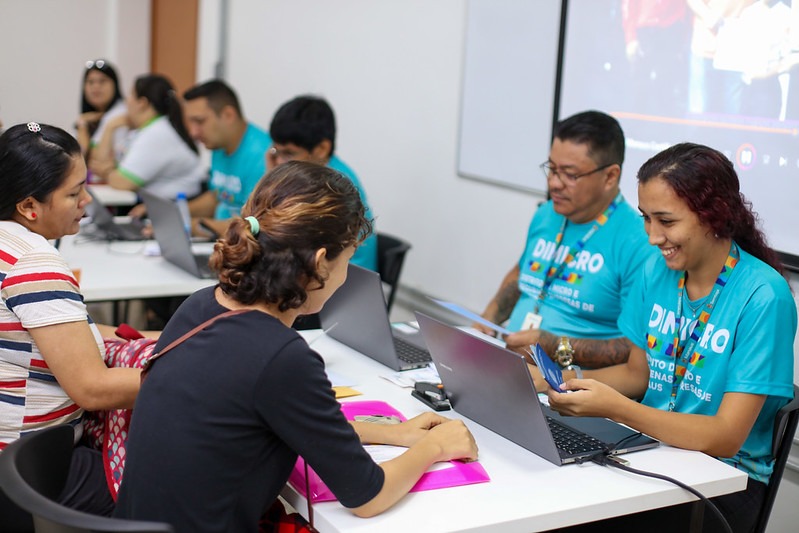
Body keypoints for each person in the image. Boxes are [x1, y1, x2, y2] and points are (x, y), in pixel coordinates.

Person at [114, 161, 478, 531]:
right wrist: (436, 447)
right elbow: (368, 496)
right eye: (348, 259)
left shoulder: (201, 304)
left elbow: (291, 421)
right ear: (321, 263)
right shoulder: (282, 357)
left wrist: (394, 433)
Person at [545, 143, 796, 533]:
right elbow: (636, 376)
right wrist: (561, 381)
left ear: (714, 216)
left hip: (722, 482)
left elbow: (726, 438)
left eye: (666, 221)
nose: (652, 236)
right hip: (653, 452)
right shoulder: (656, 272)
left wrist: (617, 409)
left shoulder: (763, 296)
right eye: (646, 219)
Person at [0, 122, 148, 516]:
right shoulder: (33, 262)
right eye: (73, 192)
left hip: (14, 455)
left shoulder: (7, 243)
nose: (87, 199)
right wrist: (206, 375)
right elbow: (93, 389)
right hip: (28, 466)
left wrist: (164, 339)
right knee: (177, 483)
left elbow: (63, 327)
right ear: (29, 206)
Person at [475, 110, 655, 369]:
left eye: (570, 174)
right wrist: (487, 320)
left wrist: (557, 345)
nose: (554, 183)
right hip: (511, 365)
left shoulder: (639, 241)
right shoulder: (547, 214)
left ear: (610, 177)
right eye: (552, 169)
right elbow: (522, 273)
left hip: (572, 388)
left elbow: (637, 348)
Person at [267, 95, 378, 272]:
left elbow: (278, 237)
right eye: (276, 152)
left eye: (288, 153)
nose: (279, 161)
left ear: (321, 149)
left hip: (344, 283)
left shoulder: (332, 187)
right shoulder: (312, 175)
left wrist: (271, 183)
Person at [89, 74, 205, 200]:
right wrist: (110, 127)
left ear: (141, 103)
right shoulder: (147, 129)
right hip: (164, 205)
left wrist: (107, 172)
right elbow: (99, 164)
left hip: (177, 206)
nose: (126, 101)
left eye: (131, 95)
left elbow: (123, 182)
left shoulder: (156, 134)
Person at [182, 79, 272, 237]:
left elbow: (255, 225)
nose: (193, 133)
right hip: (221, 242)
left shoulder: (263, 157)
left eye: (200, 121)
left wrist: (192, 226)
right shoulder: (218, 145)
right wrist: (176, 212)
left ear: (228, 115)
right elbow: (217, 196)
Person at [75, 59, 127, 161]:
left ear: (115, 85)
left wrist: (82, 125)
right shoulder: (89, 118)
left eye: (102, 81)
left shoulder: (120, 113)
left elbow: (94, 159)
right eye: (91, 82)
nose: (96, 87)